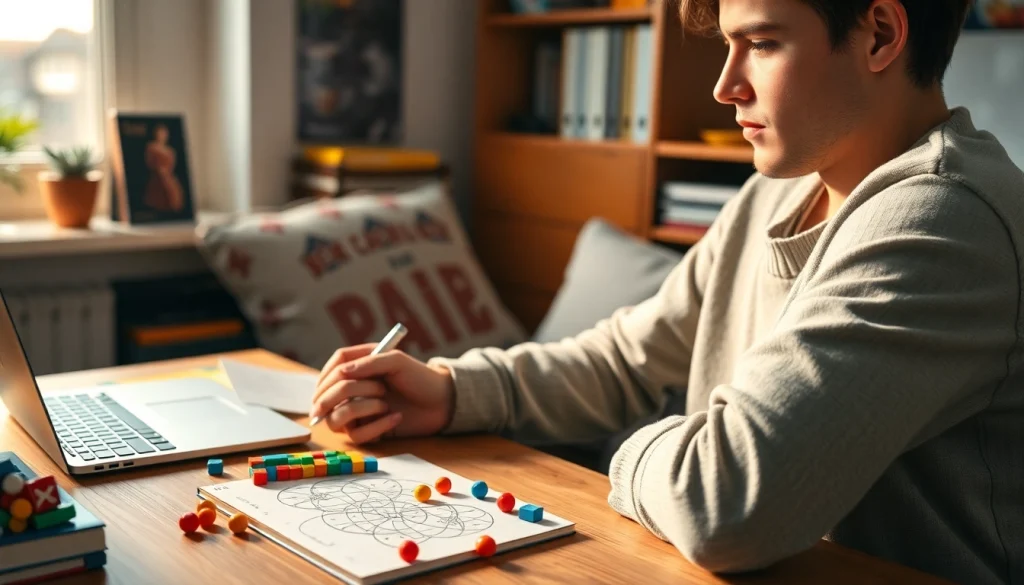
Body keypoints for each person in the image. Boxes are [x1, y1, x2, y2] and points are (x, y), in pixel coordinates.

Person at [310, 0, 1024, 583]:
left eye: (763, 43)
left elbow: (723, 503)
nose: (724, 85)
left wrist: (631, 449)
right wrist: (454, 391)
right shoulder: (775, 196)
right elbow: (630, 355)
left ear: (880, 34)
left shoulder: (942, 221)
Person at [144, 124, 184, 212]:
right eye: (160, 133)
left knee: (173, 197)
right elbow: (149, 162)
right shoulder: (152, 147)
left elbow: (172, 165)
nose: (162, 136)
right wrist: (159, 169)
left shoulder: (170, 150)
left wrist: (166, 173)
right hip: (157, 177)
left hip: (168, 177)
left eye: (164, 133)